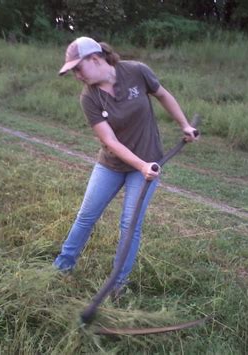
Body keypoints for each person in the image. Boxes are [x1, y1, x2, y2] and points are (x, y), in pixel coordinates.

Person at [53, 37, 198, 295]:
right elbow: (109, 140)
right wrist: (141, 165)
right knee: (86, 217)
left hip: (147, 162)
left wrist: (184, 125)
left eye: (78, 68)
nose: (76, 75)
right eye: (73, 71)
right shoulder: (89, 98)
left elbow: (163, 95)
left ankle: (117, 284)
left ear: (95, 59)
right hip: (111, 165)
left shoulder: (136, 71)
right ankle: (62, 267)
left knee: (130, 224)